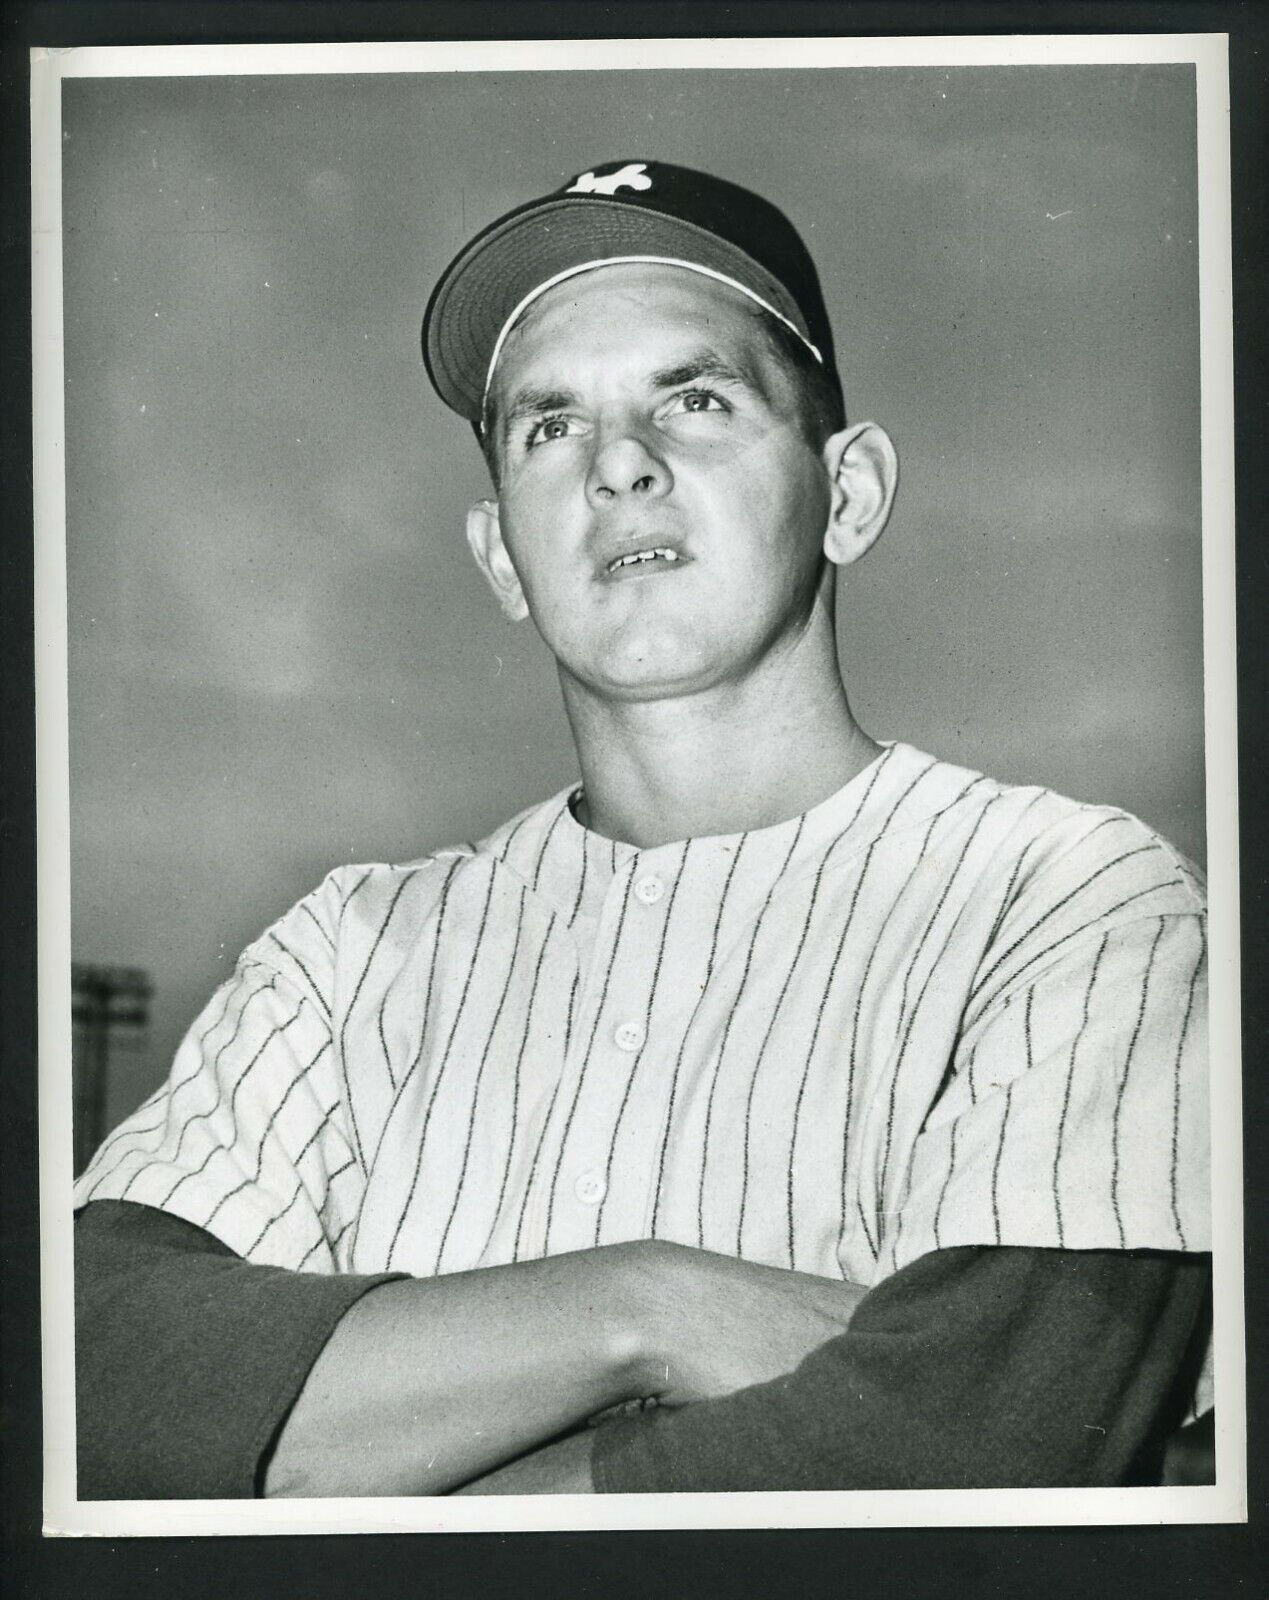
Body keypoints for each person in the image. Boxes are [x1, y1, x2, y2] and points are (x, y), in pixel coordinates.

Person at [73, 159, 1212, 1499]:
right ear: (503, 556)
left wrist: (365, 1477)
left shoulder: (1072, 896)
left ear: (847, 493)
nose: (619, 464)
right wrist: (646, 1310)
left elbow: (994, 1441)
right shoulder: (347, 952)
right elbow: (80, 1375)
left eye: (696, 398)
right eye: (550, 425)